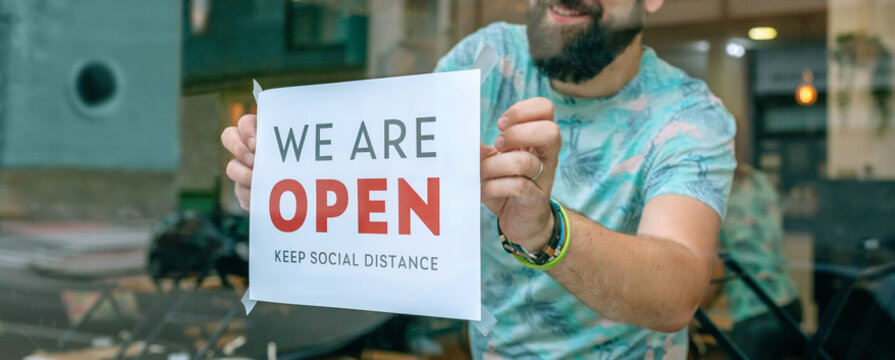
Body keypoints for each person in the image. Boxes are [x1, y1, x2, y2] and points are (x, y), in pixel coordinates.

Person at [221, 0, 736, 358]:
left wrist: (545, 233)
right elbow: (389, 187)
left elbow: (677, 291)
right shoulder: (487, 61)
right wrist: (287, 186)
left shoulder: (688, 115)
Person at [705, 164, 802, 359]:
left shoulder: (714, 194)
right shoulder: (761, 180)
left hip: (752, 311)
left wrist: (689, 315)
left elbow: (716, 271)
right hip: (789, 303)